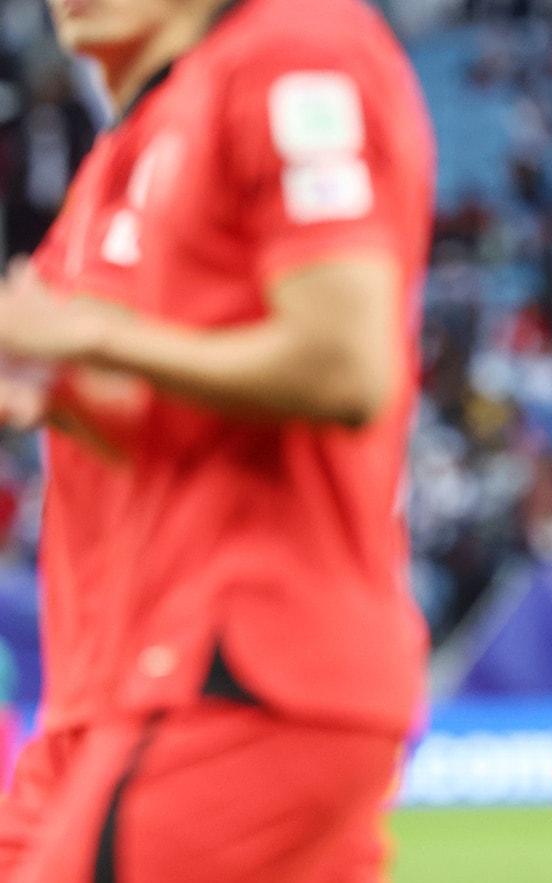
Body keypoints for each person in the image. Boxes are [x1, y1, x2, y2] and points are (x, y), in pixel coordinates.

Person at [0, 0, 433, 879]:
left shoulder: (294, 49)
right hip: (119, 687)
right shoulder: (132, 142)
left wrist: (81, 341)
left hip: (233, 668)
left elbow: (345, 363)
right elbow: (141, 411)